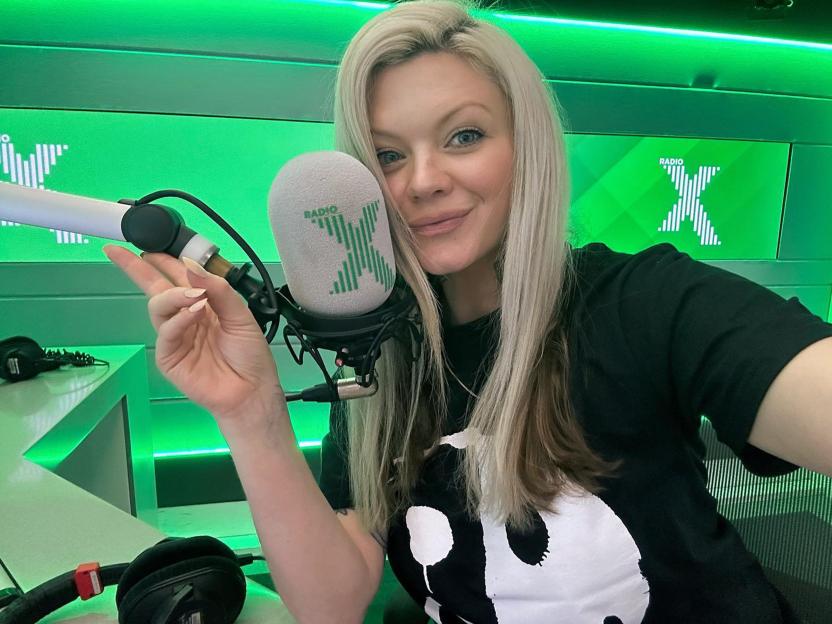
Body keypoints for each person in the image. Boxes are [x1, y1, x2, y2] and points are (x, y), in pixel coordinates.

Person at [104, 1, 832, 622]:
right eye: (389, 156)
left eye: (464, 136)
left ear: (526, 148)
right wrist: (250, 414)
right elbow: (331, 603)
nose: (422, 182)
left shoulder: (648, 303)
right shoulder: (384, 357)